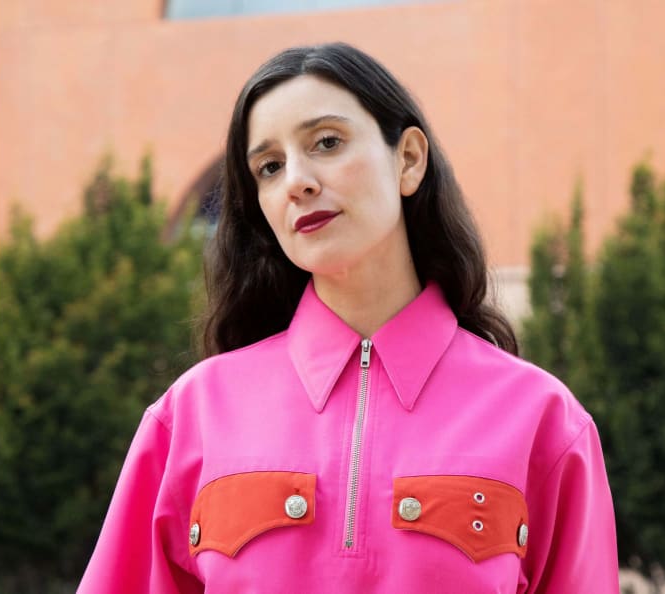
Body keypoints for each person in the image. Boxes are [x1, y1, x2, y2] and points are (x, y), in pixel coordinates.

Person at [77, 42, 618, 593]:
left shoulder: (542, 421)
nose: (297, 181)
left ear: (408, 159)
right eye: (269, 167)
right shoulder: (191, 416)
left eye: (327, 143)